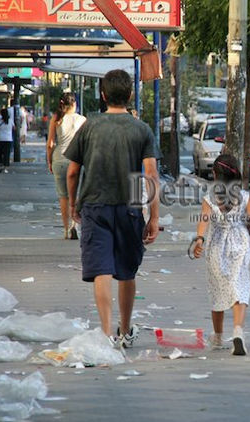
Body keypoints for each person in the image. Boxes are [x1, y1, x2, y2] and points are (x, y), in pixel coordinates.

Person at [64, 69, 161, 347]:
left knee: (101, 270)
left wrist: (74, 204)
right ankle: (125, 331)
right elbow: (152, 175)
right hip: (130, 209)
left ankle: (106, 333)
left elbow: (72, 172)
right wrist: (153, 217)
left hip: (95, 206)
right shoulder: (141, 129)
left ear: (102, 95)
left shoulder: (90, 126)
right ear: (130, 95)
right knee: (127, 272)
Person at [192, 154, 250, 356]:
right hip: (239, 241)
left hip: (217, 244)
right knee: (239, 285)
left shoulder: (210, 197)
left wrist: (199, 239)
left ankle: (218, 336)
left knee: (218, 287)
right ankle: (238, 330)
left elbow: (204, 221)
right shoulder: (243, 195)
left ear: (214, 174)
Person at [47, 93, 86, 240]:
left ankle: (65, 230)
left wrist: (49, 161)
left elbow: (50, 143)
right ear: (75, 104)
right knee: (75, 195)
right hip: (76, 160)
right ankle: (74, 225)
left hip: (59, 159)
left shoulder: (56, 119)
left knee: (63, 196)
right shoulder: (82, 120)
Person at [0, 107, 14, 173]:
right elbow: (14, 128)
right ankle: (5, 167)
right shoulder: (10, 121)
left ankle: (1, 163)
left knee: (0, 152)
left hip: (0, 138)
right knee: (6, 153)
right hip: (8, 139)